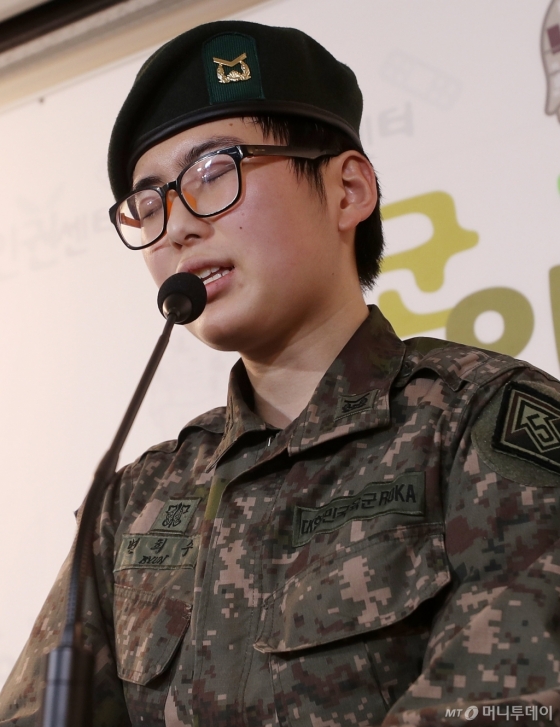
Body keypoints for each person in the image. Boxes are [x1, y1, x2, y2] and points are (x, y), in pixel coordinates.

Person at [2, 18, 560, 727]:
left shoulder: (481, 425)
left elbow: (507, 702)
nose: (178, 227)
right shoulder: (134, 502)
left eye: (213, 172)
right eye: (149, 204)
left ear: (348, 190)